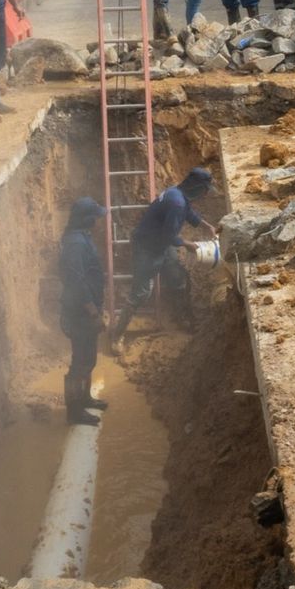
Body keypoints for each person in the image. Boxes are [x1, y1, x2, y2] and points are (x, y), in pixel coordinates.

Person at [110, 167, 217, 348]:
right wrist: (187, 244)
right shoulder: (177, 204)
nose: (205, 194)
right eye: (205, 190)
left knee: (178, 279)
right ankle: (116, 335)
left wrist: (206, 225)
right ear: (197, 188)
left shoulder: (176, 193)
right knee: (141, 293)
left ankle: (181, 318)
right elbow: (170, 236)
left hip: (161, 243)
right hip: (146, 247)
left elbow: (188, 213)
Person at [56, 197, 112, 427]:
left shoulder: (80, 237)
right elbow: (76, 281)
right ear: (88, 219)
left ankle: (85, 398)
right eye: (95, 217)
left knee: (88, 359)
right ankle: (75, 411)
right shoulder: (75, 244)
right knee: (79, 363)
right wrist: (92, 312)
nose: (98, 221)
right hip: (80, 312)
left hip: (86, 309)